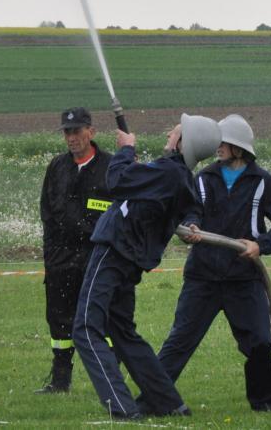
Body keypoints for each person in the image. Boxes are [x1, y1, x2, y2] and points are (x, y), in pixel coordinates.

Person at [73, 114, 221, 420]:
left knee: (86, 329)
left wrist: (125, 150)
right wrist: (192, 221)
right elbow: (192, 205)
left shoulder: (167, 172)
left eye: (176, 131)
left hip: (113, 251)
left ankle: (122, 408)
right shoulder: (180, 177)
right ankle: (169, 403)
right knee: (124, 333)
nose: (169, 132)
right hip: (131, 261)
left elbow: (115, 182)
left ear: (182, 143)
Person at [158, 114, 271, 412]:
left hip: (244, 279)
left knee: (260, 342)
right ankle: (151, 401)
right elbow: (189, 210)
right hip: (202, 277)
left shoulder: (262, 182)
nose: (217, 147)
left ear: (239, 148)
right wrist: (192, 227)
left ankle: (264, 406)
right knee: (179, 342)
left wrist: (262, 245)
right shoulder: (204, 177)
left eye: (224, 143)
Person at [37, 107, 113, 394]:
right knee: (58, 319)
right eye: (67, 132)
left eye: (77, 130)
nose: (72, 137)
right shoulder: (56, 167)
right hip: (60, 261)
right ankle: (60, 380)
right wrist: (51, 255)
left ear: (91, 132)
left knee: (100, 320)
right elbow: (47, 212)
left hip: (96, 259)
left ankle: (108, 379)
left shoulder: (110, 166)